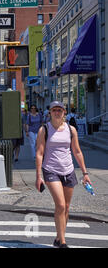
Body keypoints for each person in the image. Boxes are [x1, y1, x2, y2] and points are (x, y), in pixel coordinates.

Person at [35, 101, 92, 248]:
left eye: (59, 110)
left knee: (66, 207)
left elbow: (77, 151)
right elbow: (39, 153)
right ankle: (63, 243)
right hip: (51, 170)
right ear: (50, 113)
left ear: (64, 112)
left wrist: (85, 173)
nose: (57, 112)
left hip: (68, 170)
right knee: (60, 205)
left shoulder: (71, 130)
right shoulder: (44, 130)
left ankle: (58, 238)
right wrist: (38, 176)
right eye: (54, 110)